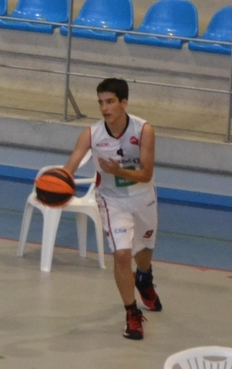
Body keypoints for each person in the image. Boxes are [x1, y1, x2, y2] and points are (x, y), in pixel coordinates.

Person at [63, 78, 162, 341]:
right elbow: (70, 166)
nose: (104, 108)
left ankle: (144, 277)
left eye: (110, 102)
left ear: (124, 103)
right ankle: (132, 313)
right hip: (111, 200)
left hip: (143, 196)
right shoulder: (91, 134)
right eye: (101, 102)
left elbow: (146, 173)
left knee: (144, 252)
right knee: (121, 255)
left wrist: (119, 171)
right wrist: (59, 182)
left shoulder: (144, 130)